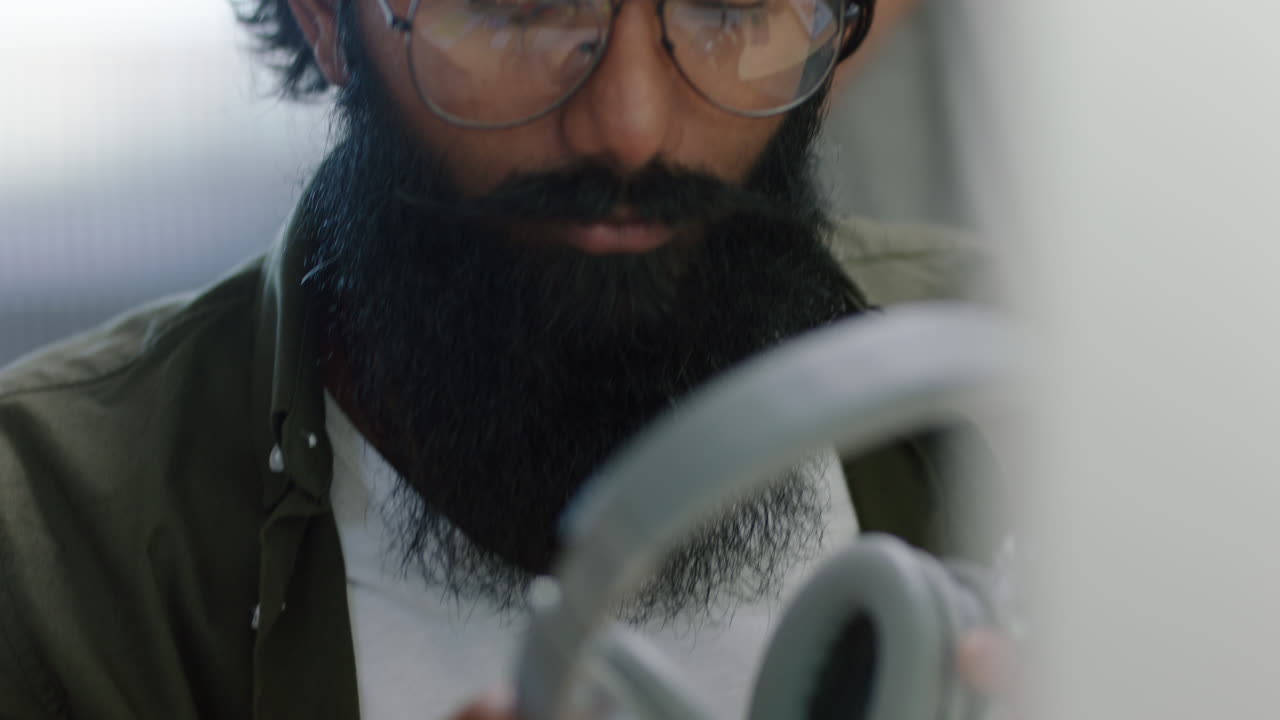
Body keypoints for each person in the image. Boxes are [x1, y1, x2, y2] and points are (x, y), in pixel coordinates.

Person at [0, 0, 999, 717]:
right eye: (517, 11)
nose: (628, 126)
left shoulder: (1041, 396)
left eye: (725, 6)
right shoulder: (51, 544)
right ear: (323, 20)